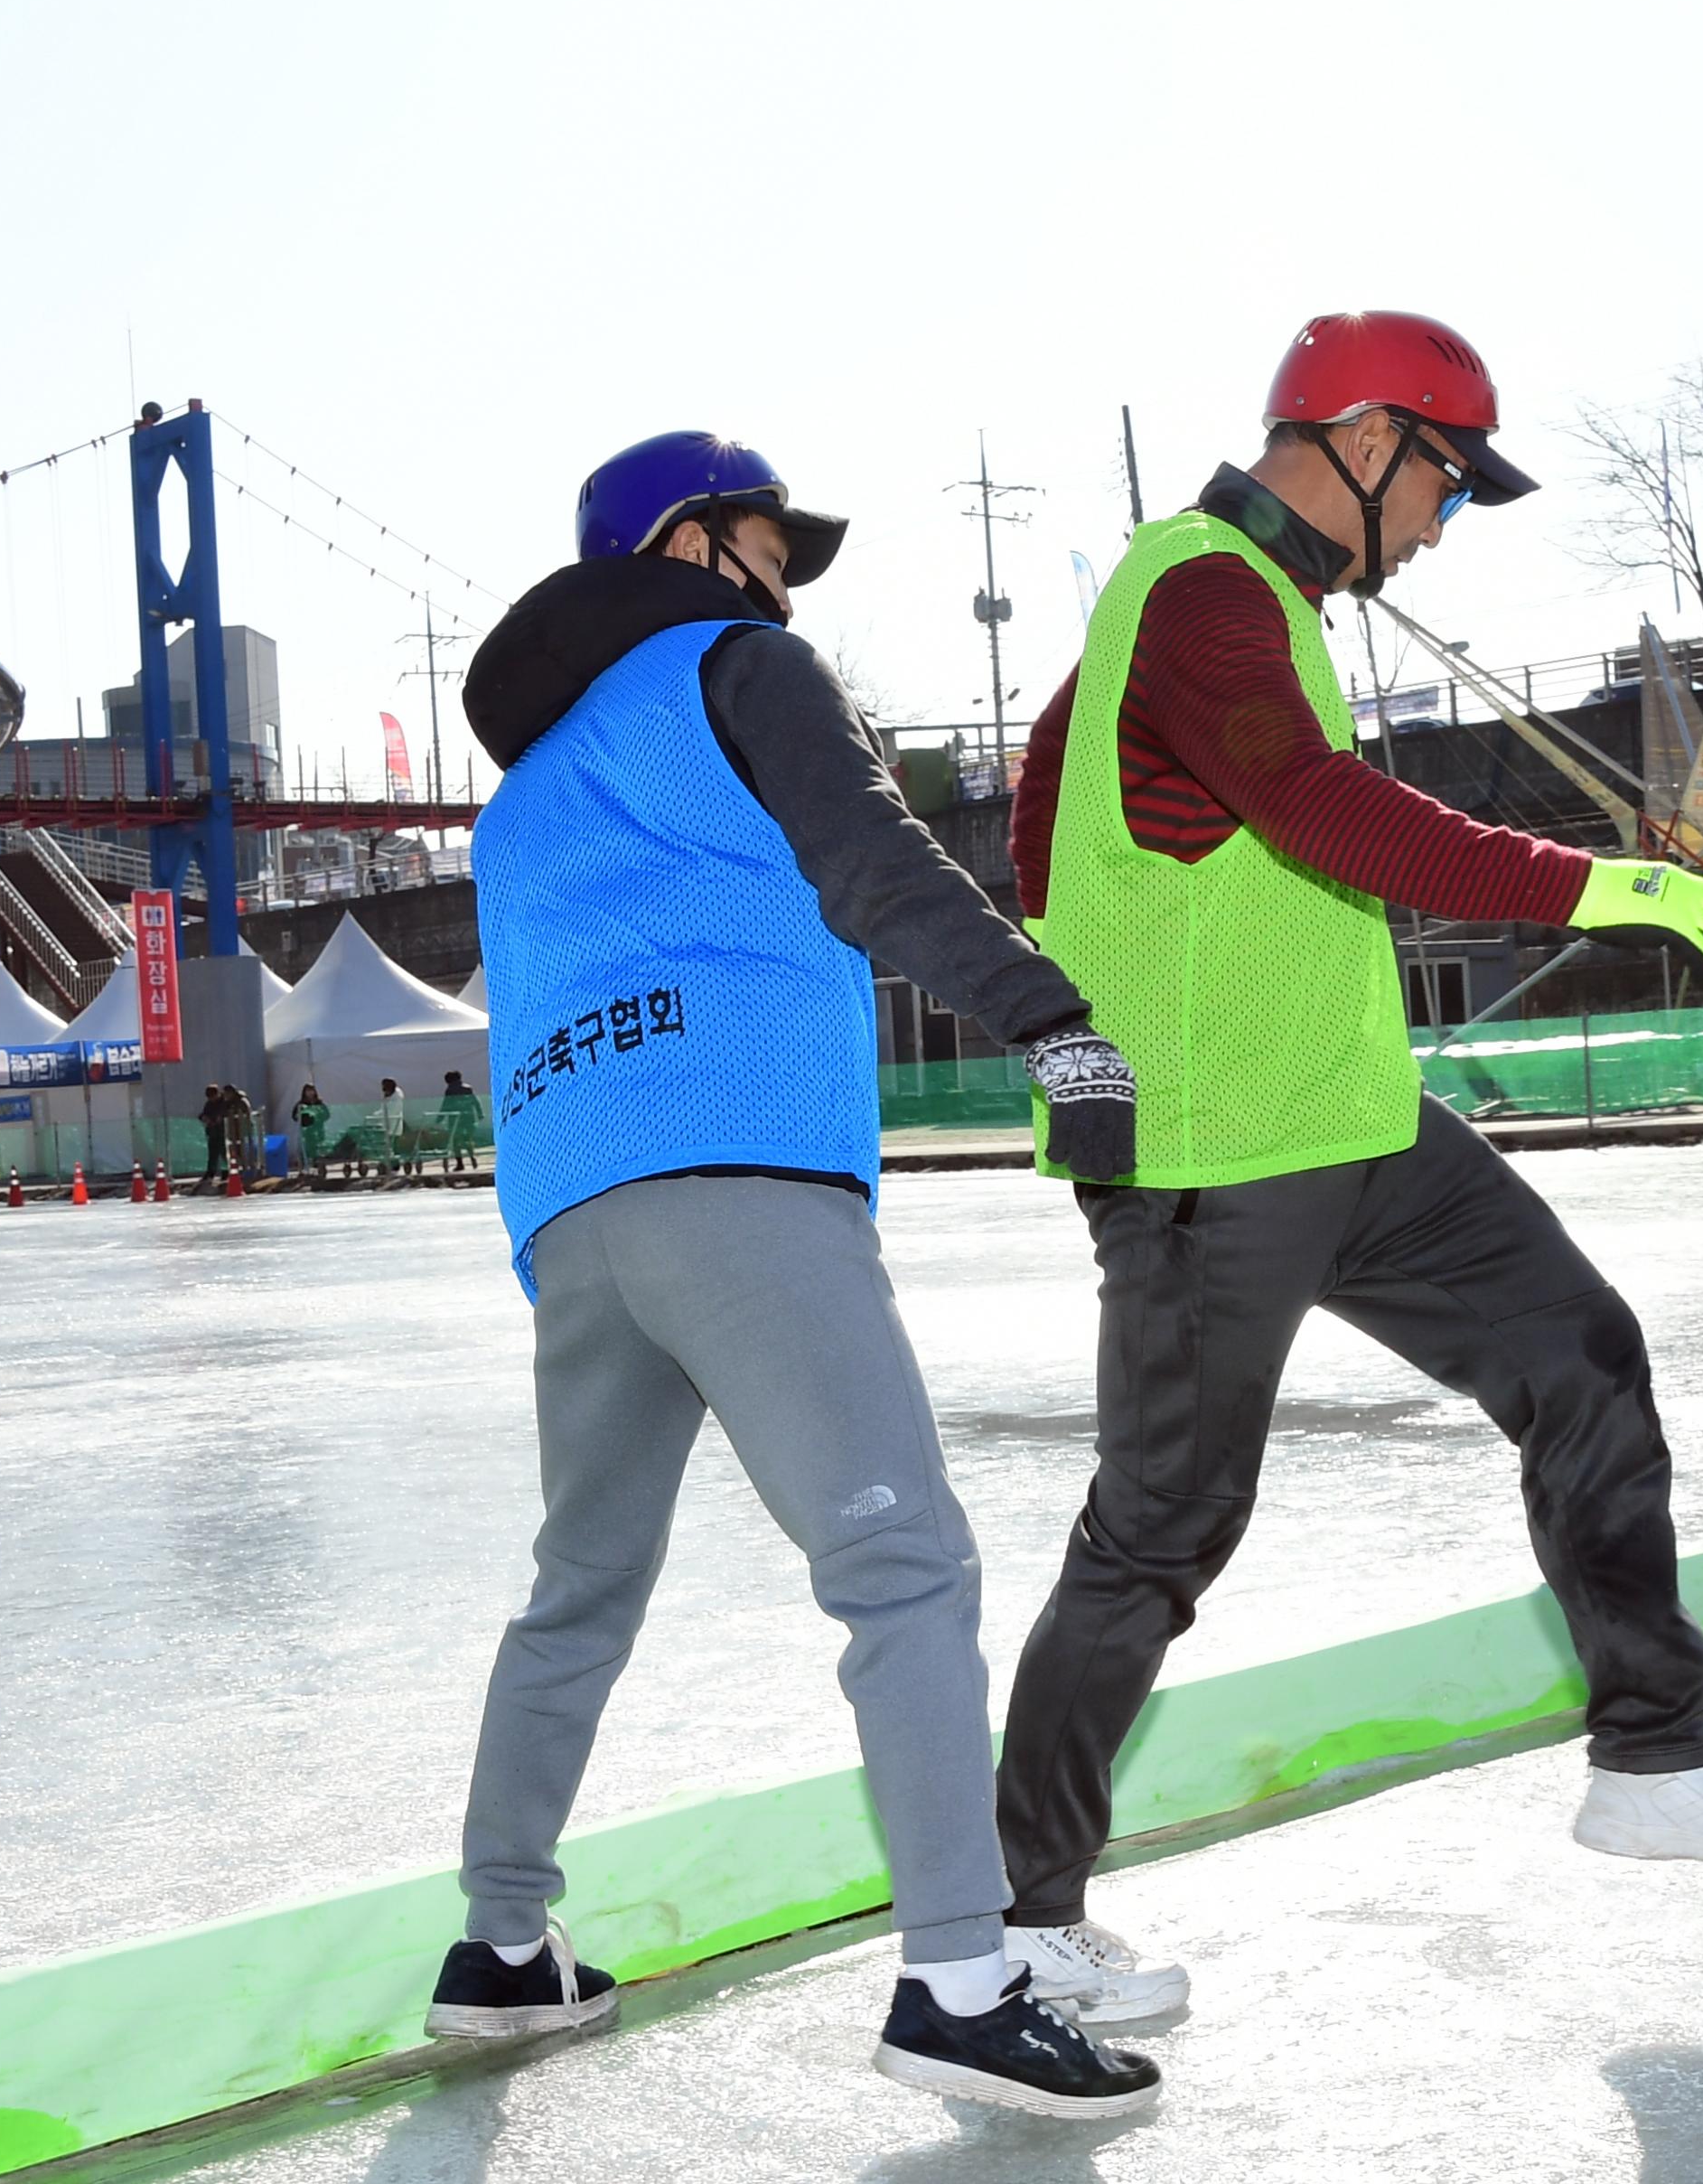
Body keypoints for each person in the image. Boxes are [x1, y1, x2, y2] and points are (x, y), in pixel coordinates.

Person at [997, 310, 1703, 2028]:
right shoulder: (1198, 585)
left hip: (1352, 1122)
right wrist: (1584, 880)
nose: (1444, 523)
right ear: (1367, 439)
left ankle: (1650, 1754)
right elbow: (1310, 806)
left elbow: (1042, 812)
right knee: (1162, 1530)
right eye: (1446, 483)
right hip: (1210, 1154)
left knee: (1580, 1356)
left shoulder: (1232, 614)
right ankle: (1013, 1916)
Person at [438, 427, 1159, 2115]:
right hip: (741, 1161)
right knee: (900, 1568)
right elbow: (875, 862)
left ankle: (502, 1947)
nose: (783, 570)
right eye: (765, 537)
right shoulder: (739, 665)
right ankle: (960, 1984)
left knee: (578, 1583)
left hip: (570, 1205)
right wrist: (1050, 1018)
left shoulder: (526, 786)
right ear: (690, 546)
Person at [438, 1070, 484, 1172]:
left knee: (456, 1141)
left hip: (455, 1118)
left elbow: (446, 1105)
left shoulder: (450, 1090)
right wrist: (480, 1114)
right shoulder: (468, 1088)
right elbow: (475, 1102)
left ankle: (460, 1163)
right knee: (468, 1139)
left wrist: (440, 1118)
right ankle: (472, 1157)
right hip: (468, 1117)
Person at [377, 1078, 412, 1175]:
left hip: (393, 1123)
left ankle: (394, 1165)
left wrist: (378, 1115)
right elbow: (384, 1108)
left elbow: (391, 1111)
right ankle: (390, 1164)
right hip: (386, 1124)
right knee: (389, 1146)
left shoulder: (396, 1098)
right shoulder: (389, 1095)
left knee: (393, 1146)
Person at [294, 1083, 331, 1174]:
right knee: (306, 1149)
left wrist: (319, 1116)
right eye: (308, 1091)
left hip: (318, 1130)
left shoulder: (319, 1103)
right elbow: (294, 1116)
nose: (310, 1093)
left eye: (312, 1090)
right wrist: (301, 1115)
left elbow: (327, 1114)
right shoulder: (301, 1104)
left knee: (319, 1149)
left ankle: (319, 1167)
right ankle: (304, 1168)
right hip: (306, 1131)